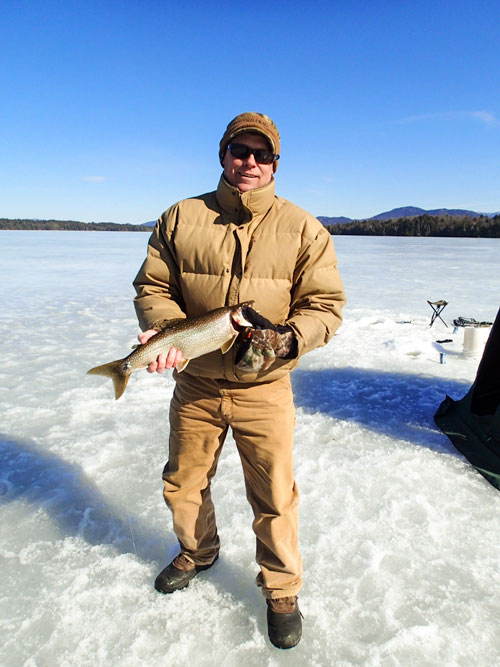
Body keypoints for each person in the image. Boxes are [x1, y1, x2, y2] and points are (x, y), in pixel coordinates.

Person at [133, 112, 345, 649]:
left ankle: (280, 589)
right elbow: (153, 286)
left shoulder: (303, 228)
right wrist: (160, 332)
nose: (249, 162)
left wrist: (290, 339)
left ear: (276, 163)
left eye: (261, 154)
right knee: (183, 481)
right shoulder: (181, 217)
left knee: (274, 494)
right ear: (223, 153)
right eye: (239, 150)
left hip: (265, 388)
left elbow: (324, 306)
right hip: (196, 383)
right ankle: (197, 551)